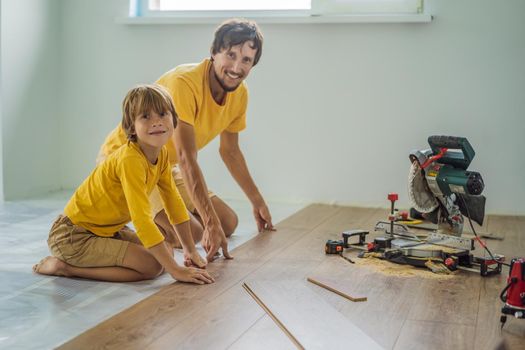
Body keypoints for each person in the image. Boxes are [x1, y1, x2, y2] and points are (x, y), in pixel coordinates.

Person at [98, 18, 274, 262]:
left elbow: (230, 152)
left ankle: (161, 220)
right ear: (213, 53)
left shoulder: (239, 94)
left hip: (163, 166)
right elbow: (186, 158)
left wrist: (258, 202)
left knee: (228, 222)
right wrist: (208, 223)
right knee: (197, 234)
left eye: (246, 59)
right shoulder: (184, 83)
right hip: (129, 161)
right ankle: (131, 222)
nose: (236, 66)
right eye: (230, 55)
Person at [33, 84, 213, 284]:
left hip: (108, 230)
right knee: (152, 266)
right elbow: (142, 220)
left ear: (174, 119)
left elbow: (173, 202)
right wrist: (176, 271)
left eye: (163, 114)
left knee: (166, 252)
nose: (156, 122)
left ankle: (84, 262)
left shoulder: (160, 154)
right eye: (145, 116)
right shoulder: (130, 159)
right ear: (131, 126)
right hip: (73, 236)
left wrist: (189, 250)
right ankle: (65, 268)